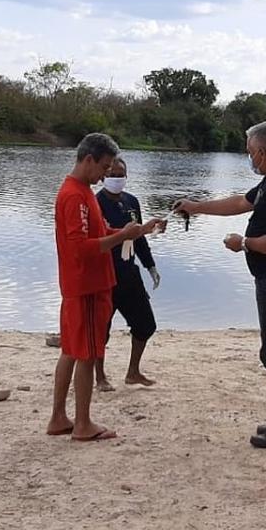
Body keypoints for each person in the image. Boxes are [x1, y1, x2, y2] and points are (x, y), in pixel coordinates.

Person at [174, 120, 266, 448]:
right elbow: (241, 202)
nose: (249, 158)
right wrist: (196, 208)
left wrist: (244, 243)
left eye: (251, 152)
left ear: (263, 152)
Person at [46, 133, 161, 442]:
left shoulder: (82, 192)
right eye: (105, 167)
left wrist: (134, 232)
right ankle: (82, 424)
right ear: (88, 160)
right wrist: (120, 236)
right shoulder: (75, 196)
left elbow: (99, 233)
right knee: (85, 353)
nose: (107, 174)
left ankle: (59, 417)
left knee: (71, 350)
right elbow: (81, 248)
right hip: (87, 285)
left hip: (80, 283)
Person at [95, 157, 161, 390]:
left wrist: (150, 266)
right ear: (103, 176)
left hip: (129, 273)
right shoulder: (96, 203)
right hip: (104, 274)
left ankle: (133, 372)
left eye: (120, 174)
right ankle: (100, 376)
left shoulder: (132, 202)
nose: (116, 178)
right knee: (101, 328)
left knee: (146, 324)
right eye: (112, 174)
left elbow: (139, 237)